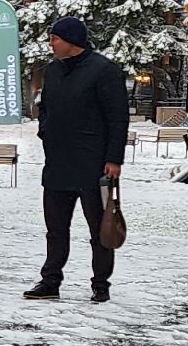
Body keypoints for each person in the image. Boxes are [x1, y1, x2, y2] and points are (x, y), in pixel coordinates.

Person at [24, 16, 128, 303]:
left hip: (94, 163)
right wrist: (45, 131)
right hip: (58, 162)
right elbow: (46, 109)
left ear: (71, 41)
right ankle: (50, 280)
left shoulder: (104, 71)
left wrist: (114, 158)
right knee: (55, 228)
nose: (51, 44)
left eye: (55, 38)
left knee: (100, 229)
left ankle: (100, 284)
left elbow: (118, 118)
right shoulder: (53, 71)